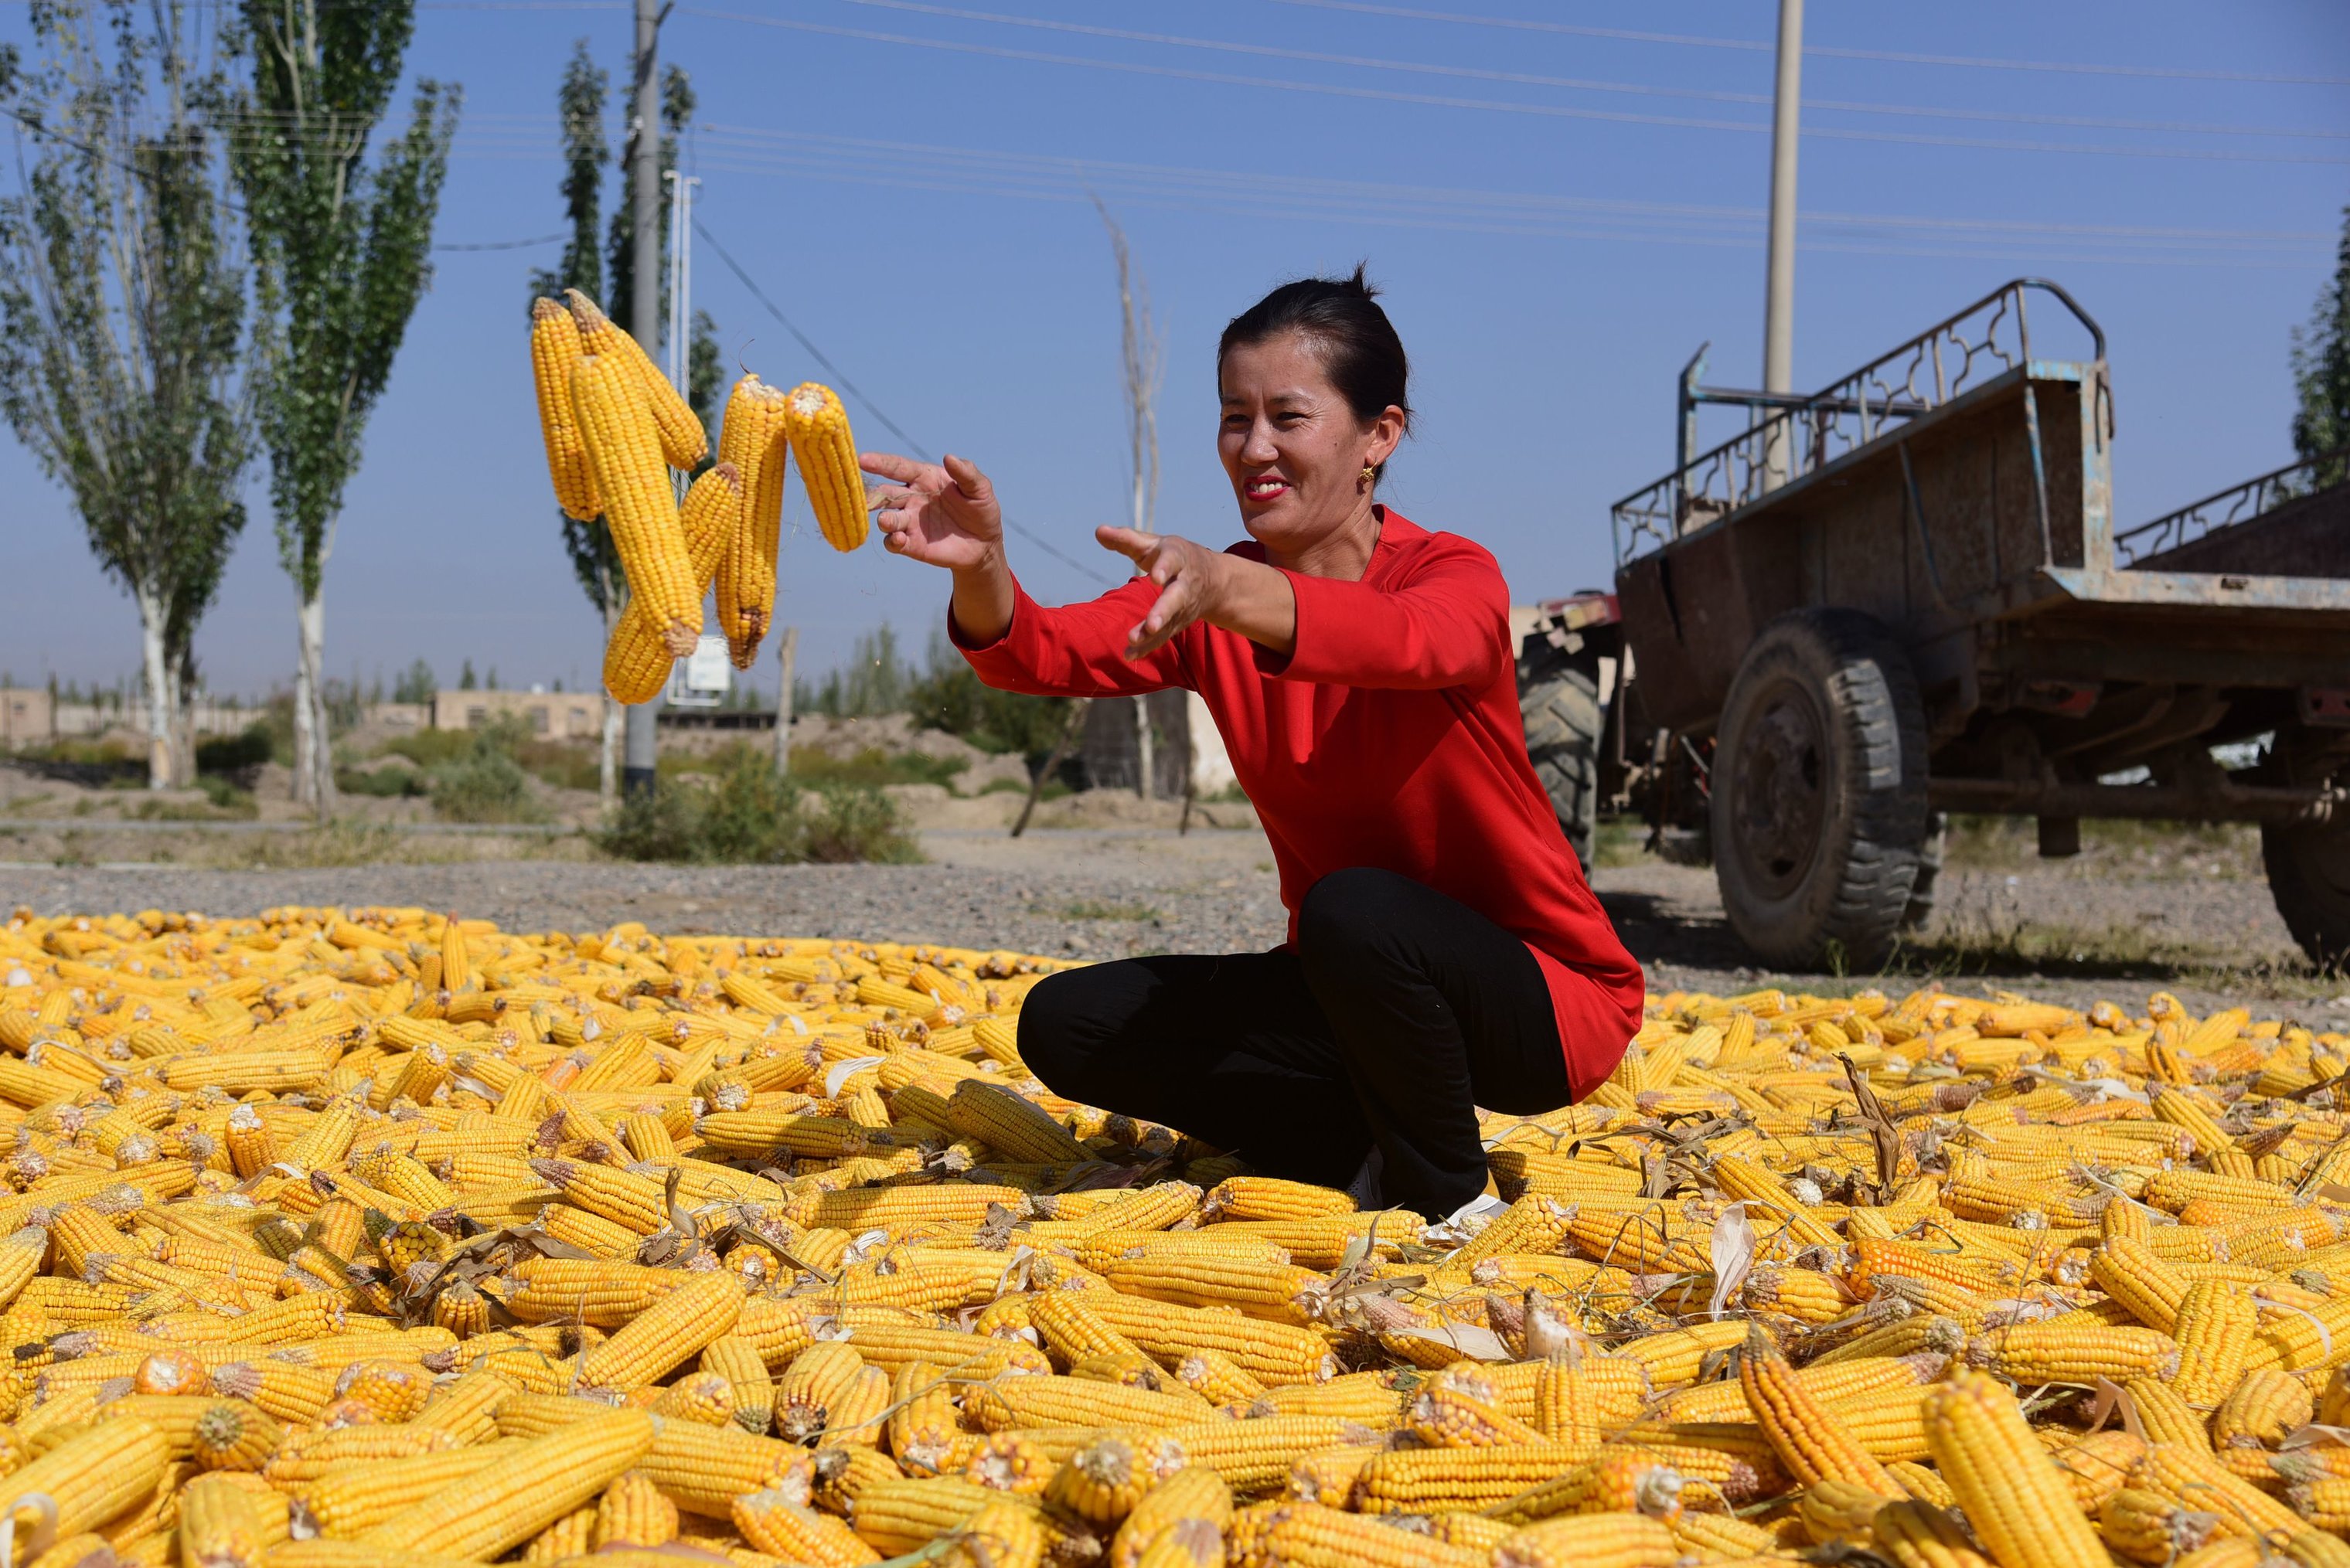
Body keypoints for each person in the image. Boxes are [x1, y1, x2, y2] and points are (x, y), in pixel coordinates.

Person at [861, 267, 1643, 1221]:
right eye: (1235, 417)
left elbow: (1403, 641)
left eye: (1288, 417)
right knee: (1073, 1024)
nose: (1254, 448)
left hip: (1546, 1002)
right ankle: (1355, 1154)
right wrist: (982, 564)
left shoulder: (1448, 573)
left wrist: (1228, 592)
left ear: (1379, 436)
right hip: (1352, 981)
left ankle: (1449, 1197)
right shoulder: (1214, 596)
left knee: (1349, 909)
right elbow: (1040, 649)